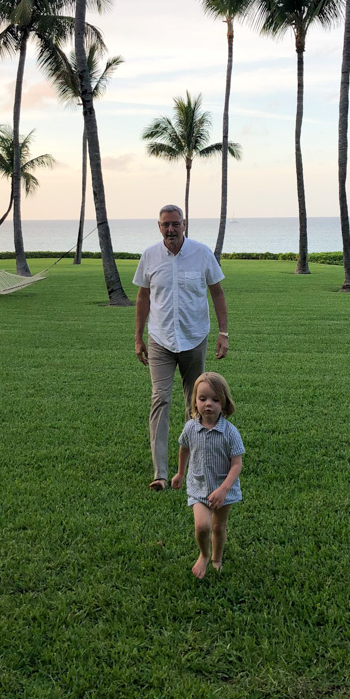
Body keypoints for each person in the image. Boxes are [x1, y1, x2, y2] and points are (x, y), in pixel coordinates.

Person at [134, 204, 228, 491]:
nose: (171, 229)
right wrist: (138, 337)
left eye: (175, 224)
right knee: (159, 400)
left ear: (184, 224)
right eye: (166, 225)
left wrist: (223, 333)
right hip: (160, 339)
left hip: (193, 338)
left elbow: (217, 292)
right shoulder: (149, 256)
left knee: (196, 404)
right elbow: (142, 297)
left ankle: (195, 469)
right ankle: (160, 473)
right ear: (159, 226)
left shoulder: (201, 254)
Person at [171, 372, 244, 579]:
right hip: (199, 485)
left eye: (215, 399)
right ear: (195, 400)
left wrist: (223, 490)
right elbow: (184, 448)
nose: (208, 404)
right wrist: (180, 473)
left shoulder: (230, 432)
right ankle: (204, 554)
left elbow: (237, 465)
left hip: (223, 488)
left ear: (224, 403)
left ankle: (217, 558)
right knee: (202, 526)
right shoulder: (190, 428)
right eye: (202, 399)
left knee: (218, 527)